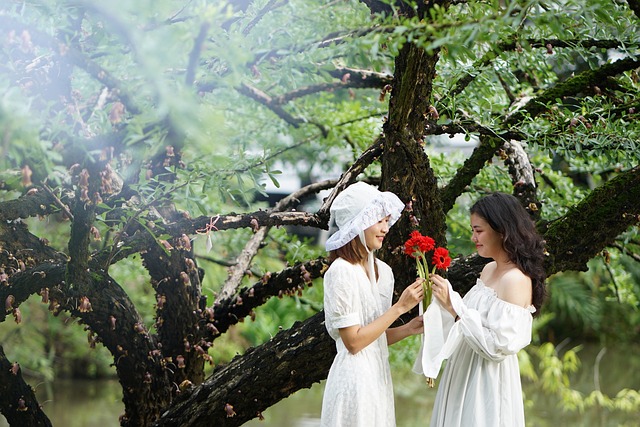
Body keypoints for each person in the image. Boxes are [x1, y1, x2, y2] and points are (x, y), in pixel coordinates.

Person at [416, 192, 546, 427]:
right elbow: (465, 324)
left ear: (502, 230)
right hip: (462, 370)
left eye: (479, 230)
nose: (473, 237)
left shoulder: (516, 280)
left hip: (486, 379)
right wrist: (435, 303)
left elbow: (498, 347)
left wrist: (453, 306)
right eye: (473, 230)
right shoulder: (487, 271)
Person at [320, 181, 425, 427]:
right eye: (379, 221)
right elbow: (354, 342)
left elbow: (374, 337)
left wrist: (410, 327)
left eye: (387, 221)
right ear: (359, 222)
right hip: (353, 382)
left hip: (378, 377)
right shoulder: (340, 272)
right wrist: (399, 308)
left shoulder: (384, 272)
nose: (385, 228)